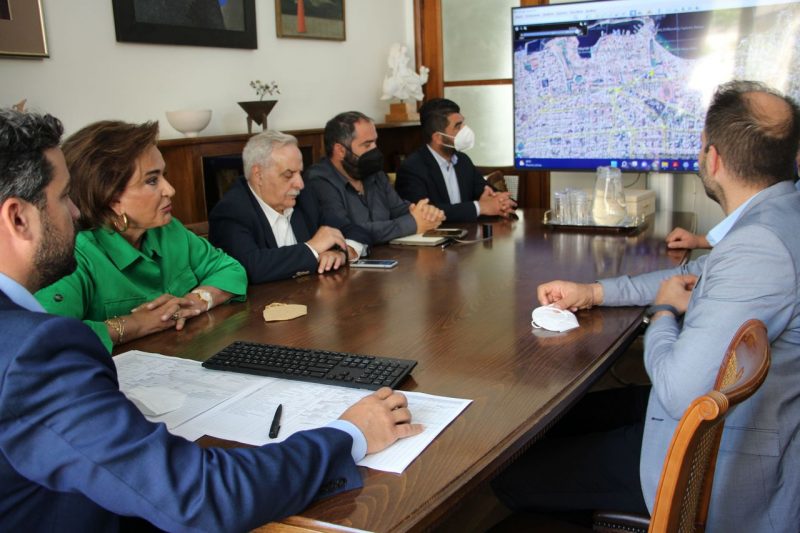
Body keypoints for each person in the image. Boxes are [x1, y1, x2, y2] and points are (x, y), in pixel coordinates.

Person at [0, 108, 423, 531]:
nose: (77, 212)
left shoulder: (167, 235)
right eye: (64, 197)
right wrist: (350, 434)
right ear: (18, 218)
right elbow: (200, 494)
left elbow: (231, 270)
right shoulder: (34, 351)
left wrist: (198, 300)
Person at [491, 81, 800, 532]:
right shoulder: (782, 215)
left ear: (713, 159)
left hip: (714, 461)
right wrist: (593, 292)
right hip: (726, 423)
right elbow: (695, 274)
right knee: (554, 423)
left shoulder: (760, 247)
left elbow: (676, 389)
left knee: (510, 475)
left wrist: (663, 313)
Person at [34, 120, 247, 352]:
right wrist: (135, 324)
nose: (170, 190)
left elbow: (230, 270)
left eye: (164, 175)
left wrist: (196, 301)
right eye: (152, 180)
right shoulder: (73, 254)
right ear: (111, 197)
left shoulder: (169, 230)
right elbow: (48, 336)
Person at [209, 130, 372, 283]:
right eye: (288, 175)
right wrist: (312, 248)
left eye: (300, 173)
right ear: (258, 175)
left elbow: (352, 229)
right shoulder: (231, 211)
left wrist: (343, 252)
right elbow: (249, 267)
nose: (300, 184)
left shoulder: (304, 197)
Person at [307, 111, 445, 244]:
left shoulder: (373, 171)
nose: (375, 150)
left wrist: (425, 213)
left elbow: (398, 210)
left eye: (375, 142)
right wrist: (412, 223)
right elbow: (346, 232)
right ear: (341, 150)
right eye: (367, 145)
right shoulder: (319, 181)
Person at [395, 98, 516, 222]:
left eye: (463, 123)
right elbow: (425, 213)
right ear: (438, 138)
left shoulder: (463, 160)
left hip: (469, 232)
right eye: (458, 126)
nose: (465, 130)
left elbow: (488, 193)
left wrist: (501, 201)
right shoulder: (412, 168)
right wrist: (479, 207)